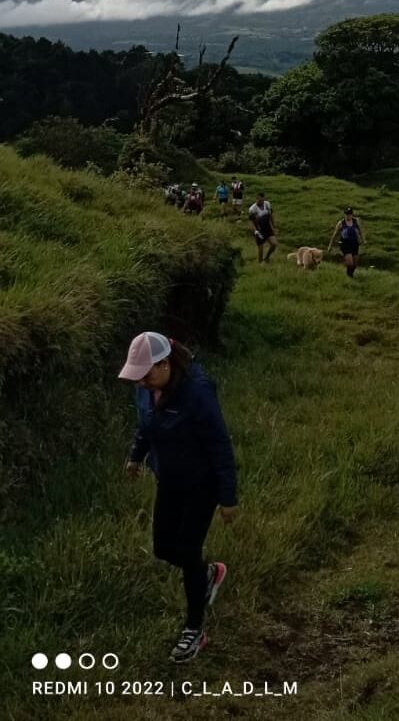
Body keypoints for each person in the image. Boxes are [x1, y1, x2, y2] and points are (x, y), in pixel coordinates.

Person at [119, 332, 238, 663]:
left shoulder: (197, 392)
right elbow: (146, 424)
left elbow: (219, 444)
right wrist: (136, 456)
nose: (141, 383)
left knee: (187, 550)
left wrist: (228, 497)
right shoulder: (146, 387)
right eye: (138, 377)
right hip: (169, 479)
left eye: (146, 375)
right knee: (163, 548)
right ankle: (207, 573)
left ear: (165, 365)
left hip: (201, 484)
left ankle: (195, 630)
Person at [328, 206, 365, 278]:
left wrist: (363, 240)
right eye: (347, 214)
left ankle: (350, 275)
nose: (348, 216)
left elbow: (360, 231)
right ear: (344, 214)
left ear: (352, 214)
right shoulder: (341, 223)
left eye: (350, 214)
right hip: (345, 244)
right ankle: (349, 275)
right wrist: (330, 245)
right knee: (350, 263)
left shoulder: (356, 221)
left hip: (354, 244)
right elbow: (334, 235)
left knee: (355, 264)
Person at [247, 192, 277, 263]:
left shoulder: (267, 204)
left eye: (262, 200)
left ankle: (267, 258)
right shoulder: (252, 209)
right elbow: (251, 222)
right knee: (260, 249)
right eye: (259, 200)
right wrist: (255, 231)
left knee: (274, 244)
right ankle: (260, 262)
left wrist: (273, 226)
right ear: (256, 199)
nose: (261, 202)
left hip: (267, 227)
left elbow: (271, 215)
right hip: (259, 229)